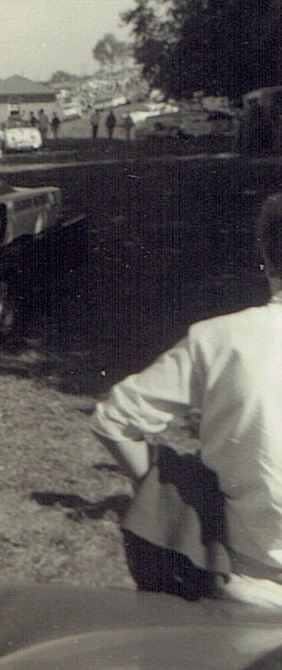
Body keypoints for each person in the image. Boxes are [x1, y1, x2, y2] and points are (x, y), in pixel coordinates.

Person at [91, 192, 282, 607]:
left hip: (248, 584)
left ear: (267, 258)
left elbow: (113, 420)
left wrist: (162, 490)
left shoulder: (218, 339)